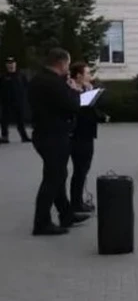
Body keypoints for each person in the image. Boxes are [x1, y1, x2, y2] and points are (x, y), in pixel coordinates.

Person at [27, 48, 89, 236]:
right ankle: (41, 222)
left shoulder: (39, 79)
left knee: (58, 176)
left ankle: (66, 213)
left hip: (44, 134)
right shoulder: (53, 83)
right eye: (68, 65)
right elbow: (72, 105)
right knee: (53, 178)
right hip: (53, 136)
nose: (68, 69)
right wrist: (75, 90)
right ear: (61, 63)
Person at [68, 62, 100, 214]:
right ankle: (75, 202)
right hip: (77, 136)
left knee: (84, 169)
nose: (90, 76)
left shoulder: (86, 89)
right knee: (79, 170)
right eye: (87, 73)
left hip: (87, 134)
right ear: (79, 76)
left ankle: (78, 200)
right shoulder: (71, 90)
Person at [0, 56, 31, 143]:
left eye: (12, 63)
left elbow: (27, 86)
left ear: (15, 64)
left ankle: (24, 136)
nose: (11, 65)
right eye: (9, 64)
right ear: (6, 65)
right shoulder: (3, 76)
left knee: (20, 120)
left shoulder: (20, 75)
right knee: (4, 120)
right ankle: (4, 137)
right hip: (6, 102)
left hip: (18, 101)